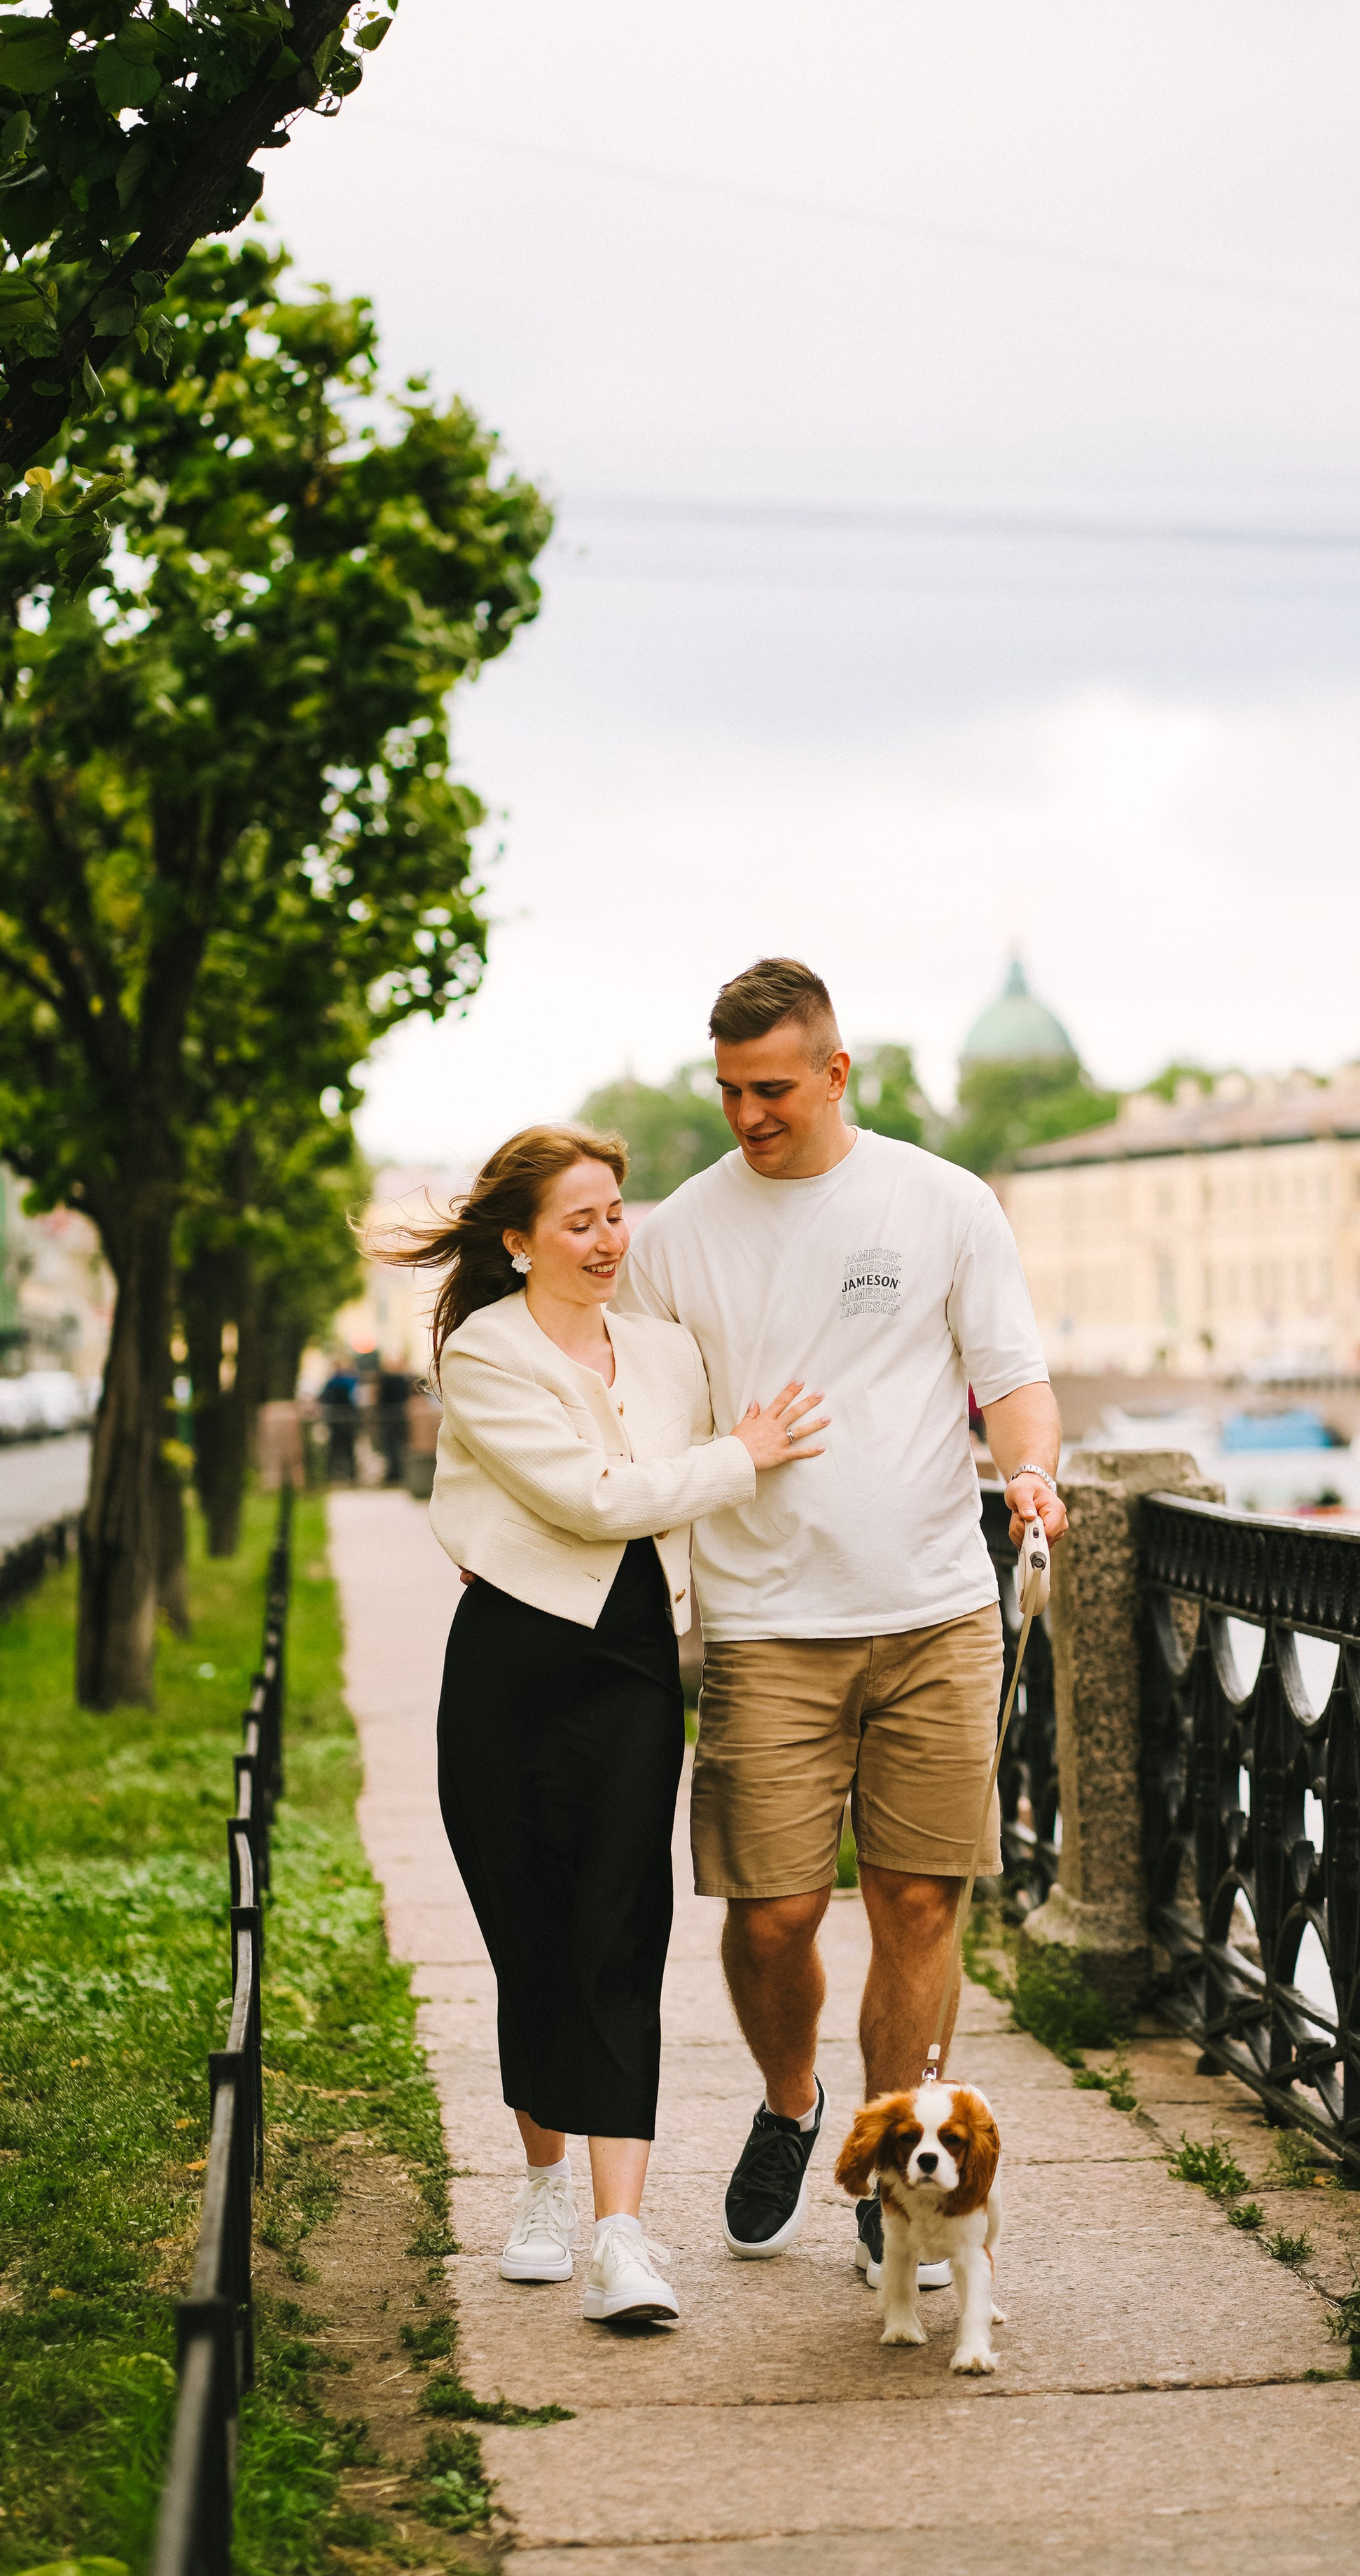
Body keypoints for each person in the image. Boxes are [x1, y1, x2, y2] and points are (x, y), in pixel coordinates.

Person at [621, 959, 1067, 2290]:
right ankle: (794, 2101)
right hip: (764, 1622)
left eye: (771, 1090)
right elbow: (630, 1415)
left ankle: (890, 2179)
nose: (748, 1115)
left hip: (937, 1611)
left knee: (919, 1902)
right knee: (768, 1916)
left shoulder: (941, 1202)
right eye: (728, 1092)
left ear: (834, 1074)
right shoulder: (681, 1236)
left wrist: (1033, 1474)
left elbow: (1015, 1380)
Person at [374, 1121, 826, 2326]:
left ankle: (623, 2238)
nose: (608, 1238)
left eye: (617, 1213)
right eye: (579, 1221)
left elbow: (772, 1394)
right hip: (513, 1670)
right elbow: (591, 1501)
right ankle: (541, 2188)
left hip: (632, 1671)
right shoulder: (485, 1353)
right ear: (519, 1242)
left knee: (620, 1934)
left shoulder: (670, 1353)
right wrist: (740, 1458)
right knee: (530, 1936)